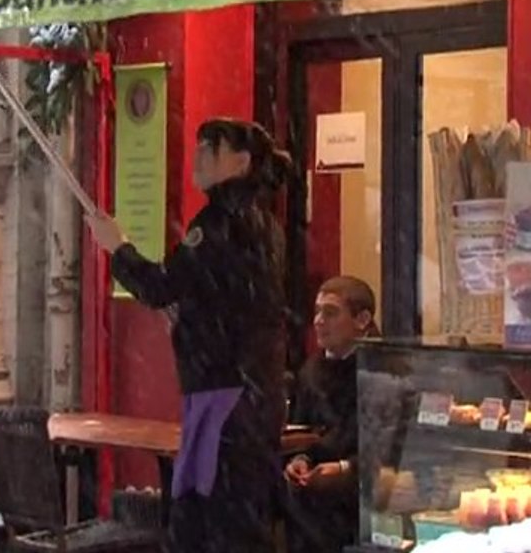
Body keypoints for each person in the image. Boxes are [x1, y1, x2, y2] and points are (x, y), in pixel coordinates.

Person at [86, 118, 291, 553]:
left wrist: (117, 246)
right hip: (246, 395)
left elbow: (161, 285)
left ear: (240, 162)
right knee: (234, 522)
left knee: (208, 525)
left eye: (209, 148)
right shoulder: (262, 223)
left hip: (225, 400)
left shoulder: (219, 223)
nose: (197, 156)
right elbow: (229, 299)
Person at [284, 275, 379, 553]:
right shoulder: (309, 371)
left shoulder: (381, 371)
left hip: (361, 501)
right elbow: (299, 430)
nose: (318, 321)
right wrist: (299, 460)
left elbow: (388, 448)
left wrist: (343, 469)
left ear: (362, 320)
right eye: (317, 312)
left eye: (331, 312)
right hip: (309, 502)